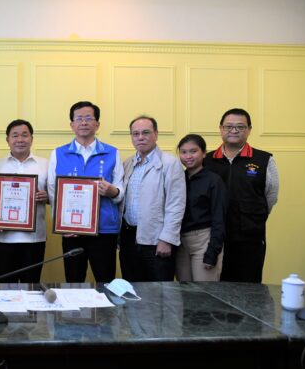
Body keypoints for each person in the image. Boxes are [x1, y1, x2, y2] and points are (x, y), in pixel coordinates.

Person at [47, 102, 124, 283]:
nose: (83, 122)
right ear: (72, 124)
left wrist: (112, 191)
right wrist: (61, 225)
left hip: (104, 230)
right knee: (74, 282)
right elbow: (53, 191)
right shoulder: (59, 154)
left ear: (97, 124)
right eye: (79, 118)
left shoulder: (112, 153)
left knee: (106, 282)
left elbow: (121, 191)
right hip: (71, 231)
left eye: (89, 118)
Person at [203, 108, 279, 283]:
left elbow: (271, 196)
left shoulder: (264, 160)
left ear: (249, 130)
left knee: (248, 287)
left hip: (249, 237)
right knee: (213, 288)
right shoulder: (207, 161)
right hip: (212, 237)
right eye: (229, 126)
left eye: (240, 127)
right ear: (220, 128)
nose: (234, 131)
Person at [120, 116, 186, 282]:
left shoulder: (170, 163)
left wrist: (167, 239)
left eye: (146, 132)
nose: (140, 137)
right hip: (129, 238)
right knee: (132, 288)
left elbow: (176, 205)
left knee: (159, 292)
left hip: (156, 240)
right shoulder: (127, 164)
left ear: (156, 134)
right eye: (135, 134)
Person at [0, 120, 48, 283]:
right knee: (5, 288)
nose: (20, 139)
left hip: (34, 239)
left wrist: (46, 197)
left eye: (25, 135)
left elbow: (56, 196)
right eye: (15, 135)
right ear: (7, 140)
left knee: (31, 287)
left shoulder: (45, 165)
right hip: (3, 238)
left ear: (32, 139)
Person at [175, 134, 227, 282]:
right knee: (184, 291)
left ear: (204, 153)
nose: (188, 156)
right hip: (180, 242)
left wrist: (213, 251)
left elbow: (219, 218)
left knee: (204, 291)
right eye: (183, 152)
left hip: (204, 240)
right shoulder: (178, 178)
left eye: (193, 151)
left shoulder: (213, 180)